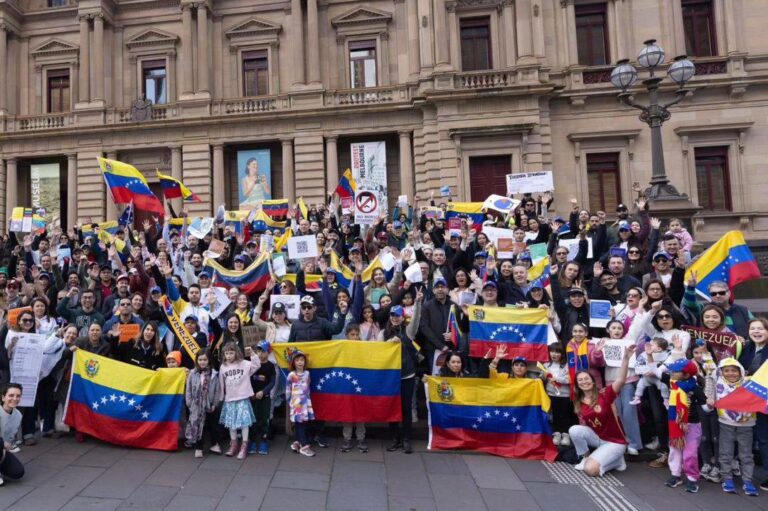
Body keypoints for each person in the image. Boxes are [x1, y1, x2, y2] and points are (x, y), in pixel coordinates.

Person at [568, 344, 634, 477]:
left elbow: (620, 380)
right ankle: (585, 457)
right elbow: (585, 426)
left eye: (586, 379)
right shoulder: (578, 402)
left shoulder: (605, 394)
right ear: (577, 385)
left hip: (615, 442)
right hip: (599, 438)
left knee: (590, 470)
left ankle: (617, 461)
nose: (584, 382)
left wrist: (625, 359)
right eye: (580, 380)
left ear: (593, 382)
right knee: (574, 429)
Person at [380, 293, 423, 454]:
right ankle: (394, 438)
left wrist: (418, 302)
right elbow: (377, 353)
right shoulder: (383, 333)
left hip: (407, 375)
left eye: (397, 316)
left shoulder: (408, 331)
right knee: (392, 407)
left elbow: (416, 320)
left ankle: (406, 439)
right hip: (391, 377)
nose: (395, 318)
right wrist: (388, 344)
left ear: (402, 317)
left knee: (405, 408)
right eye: (392, 315)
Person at [709, 357, 758, 496]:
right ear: (721, 372)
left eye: (734, 370)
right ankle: (727, 478)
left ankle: (748, 480)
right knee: (726, 453)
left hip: (747, 424)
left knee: (746, 455)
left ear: (741, 371)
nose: (731, 373)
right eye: (726, 370)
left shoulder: (749, 383)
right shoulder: (718, 384)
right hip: (726, 423)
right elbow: (709, 370)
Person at [662, 359, 708, 494]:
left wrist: (711, 404)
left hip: (692, 424)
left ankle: (692, 478)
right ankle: (675, 474)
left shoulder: (695, 388)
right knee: (674, 449)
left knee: (690, 453)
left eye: (675, 371)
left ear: (686, 375)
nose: (671, 373)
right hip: (675, 423)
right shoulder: (672, 383)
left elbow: (705, 407)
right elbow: (656, 371)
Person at [218, 342, 261, 460]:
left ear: (236, 353)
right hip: (230, 399)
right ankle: (234, 444)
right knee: (231, 423)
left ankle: (244, 445)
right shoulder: (223, 367)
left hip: (242, 397)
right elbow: (221, 384)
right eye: (226, 353)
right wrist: (221, 397)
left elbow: (257, 365)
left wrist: (252, 353)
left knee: (244, 423)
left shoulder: (244, 364)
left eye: (231, 353)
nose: (229, 356)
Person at [185, 351, 222, 458]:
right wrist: (189, 402)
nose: (202, 362)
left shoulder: (214, 374)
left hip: (209, 404)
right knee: (197, 425)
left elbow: (217, 390)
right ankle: (198, 447)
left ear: (209, 360)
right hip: (196, 405)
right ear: (197, 360)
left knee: (212, 425)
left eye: (205, 360)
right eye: (200, 360)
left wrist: (215, 403)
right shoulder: (193, 373)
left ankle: (214, 444)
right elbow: (188, 389)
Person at [544, 344, 576, 446]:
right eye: (552, 351)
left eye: (557, 352)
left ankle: (566, 434)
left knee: (565, 415)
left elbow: (571, 379)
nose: (554, 354)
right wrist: (543, 376)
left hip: (565, 395)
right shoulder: (546, 365)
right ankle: (556, 433)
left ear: (562, 354)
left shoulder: (567, 365)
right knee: (555, 414)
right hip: (551, 393)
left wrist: (557, 379)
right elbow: (543, 379)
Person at [247, 341, 275, 456]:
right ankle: (252, 440)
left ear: (268, 352)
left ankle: (264, 440)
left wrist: (263, 392)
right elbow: (246, 379)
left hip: (265, 397)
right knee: (253, 419)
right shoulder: (251, 364)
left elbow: (272, 382)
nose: (260, 354)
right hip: (252, 397)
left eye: (263, 351)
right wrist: (250, 392)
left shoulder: (270, 365)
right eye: (258, 351)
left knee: (264, 419)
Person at [286, 350, 315, 457]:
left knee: (303, 423)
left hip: (305, 403)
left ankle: (297, 442)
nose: (300, 362)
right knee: (300, 423)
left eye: (302, 360)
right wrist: (290, 401)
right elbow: (288, 389)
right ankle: (304, 446)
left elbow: (308, 386)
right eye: (297, 360)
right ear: (293, 362)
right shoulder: (291, 375)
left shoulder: (307, 374)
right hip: (296, 404)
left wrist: (307, 400)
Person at [0, 384, 22, 453]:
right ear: (3, 397)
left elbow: (10, 439)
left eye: (18, 396)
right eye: (11, 395)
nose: (15, 399)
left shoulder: (18, 415)